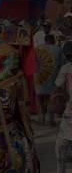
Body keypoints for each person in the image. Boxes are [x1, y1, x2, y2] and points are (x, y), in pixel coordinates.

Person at [50, 41, 72, 173]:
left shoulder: (66, 68)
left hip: (70, 113)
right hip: (70, 113)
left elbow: (56, 89)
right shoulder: (66, 68)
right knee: (61, 146)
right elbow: (57, 89)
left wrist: (55, 102)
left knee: (60, 146)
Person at [34, 34, 63, 125]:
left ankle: (41, 117)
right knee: (51, 96)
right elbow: (62, 64)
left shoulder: (37, 49)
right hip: (52, 75)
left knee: (39, 97)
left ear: (45, 40)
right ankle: (49, 119)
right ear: (53, 40)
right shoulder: (58, 49)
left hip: (38, 75)